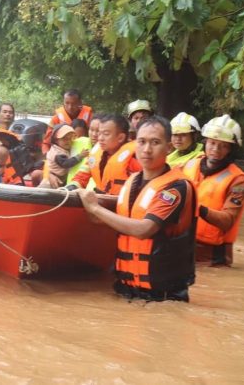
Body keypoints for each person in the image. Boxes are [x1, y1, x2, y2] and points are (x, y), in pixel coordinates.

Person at [78, 116, 196, 302]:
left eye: (155, 142)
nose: (147, 149)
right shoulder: (132, 181)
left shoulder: (176, 187)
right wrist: (89, 207)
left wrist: (95, 208)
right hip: (126, 289)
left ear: (169, 147)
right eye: (142, 142)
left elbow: (143, 229)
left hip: (161, 296)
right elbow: (108, 220)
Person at [181, 114, 244, 267]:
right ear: (205, 142)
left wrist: (197, 208)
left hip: (213, 256)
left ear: (231, 150)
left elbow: (227, 221)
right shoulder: (189, 165)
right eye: (212, 143)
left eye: (223, 145)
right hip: (184, 246)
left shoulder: (239, 180)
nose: (216, 149)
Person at [68, 114, 140, 195]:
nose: (100, 138)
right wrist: (72, 187)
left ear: (121, 138)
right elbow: (81, 177)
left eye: (106, 134)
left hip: (121, 204)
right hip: (100, 200)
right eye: (100, 133)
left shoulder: (134, 158)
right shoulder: (96, 154)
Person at [39, 124, 88, 189]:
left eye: (70, 138)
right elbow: (66, 163)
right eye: (64, 139)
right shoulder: (58, 153)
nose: (68, 141)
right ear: (56, 140)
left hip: (60, 178)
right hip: (53, 179)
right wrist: (80, 156)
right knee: (43, 192)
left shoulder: (63, 148)